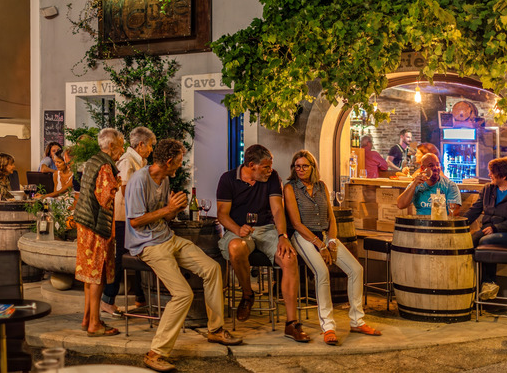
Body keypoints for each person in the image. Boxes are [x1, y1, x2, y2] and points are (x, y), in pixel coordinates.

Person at [127, 139, 241, 372]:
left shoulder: (166, 179)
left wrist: (175, 210)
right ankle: (155, 352)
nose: (180, 166)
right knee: (182, 294)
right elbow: (135, 221)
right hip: (148, 245)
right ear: (169, 161)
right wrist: (167, 209)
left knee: (212, 269)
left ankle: (215, 330)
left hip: (168, 238)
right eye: (179, 162)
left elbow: (166, 219)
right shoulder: (139, 180)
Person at [284, 150, 381, 345]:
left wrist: (331, 242)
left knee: (356, 270)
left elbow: (331, 217)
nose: (300, 169)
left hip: (325, 236)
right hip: (304, 237)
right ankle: (328, 327)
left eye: (304, 166)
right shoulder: (290, 188)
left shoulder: (321, 186)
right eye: (297, 166)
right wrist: (320, 245)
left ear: (313, 167)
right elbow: (296, 223)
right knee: (322, 273)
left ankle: (357, 321)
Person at [216, 144, 310, 343]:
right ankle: (248, 294)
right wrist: (237, 229)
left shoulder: (272, 177)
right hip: (239, 230)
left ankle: (291, 324)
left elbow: (277, 209)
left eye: (270, 166)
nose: (270, 170)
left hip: (267, 229)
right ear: (252, 165)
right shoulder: (228, 179)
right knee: (236, 247)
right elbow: (222, 214)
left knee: (289, 257)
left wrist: (283, 236)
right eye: (265, 167)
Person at [73, 128, 124, 337]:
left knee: (90, 275)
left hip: (85, 225)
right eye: (121, 146)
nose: (122, 151)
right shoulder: (105, 166)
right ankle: (94, 323)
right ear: (111, 146)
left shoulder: (93, 160)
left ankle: (88, 319)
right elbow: (104, 198)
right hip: (96, 226)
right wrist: (117, 185)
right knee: (97, 274)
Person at [101, 126, 156, 316]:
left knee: (136, 251)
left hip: (131, 216)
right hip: (123, 217)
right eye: (150, 145)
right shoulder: (127, 161)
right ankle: (108, 299)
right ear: (140, 145)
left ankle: (141, 297)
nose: (151, 149)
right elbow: (126, 189)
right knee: (119, 258)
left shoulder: (139, 160)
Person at [464, 157, 507, 300]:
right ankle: (476, 283)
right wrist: (458, 225)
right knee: (468, 240)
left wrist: (496, 228)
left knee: (483, 240)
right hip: (487, 231)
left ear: (503, 176)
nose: (489, 175)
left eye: (492, 173)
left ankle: (488, 282)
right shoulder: (487, 189)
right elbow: (474, 211)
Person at [397, 153, 461, 216]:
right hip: (420, 224)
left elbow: (454, 214)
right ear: (422, 168)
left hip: (441, 224)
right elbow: (400, 205)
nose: (436, 168)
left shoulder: (450, 186)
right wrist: (413, 185)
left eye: (437, 164)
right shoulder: (417, 184)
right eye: (431, 165)